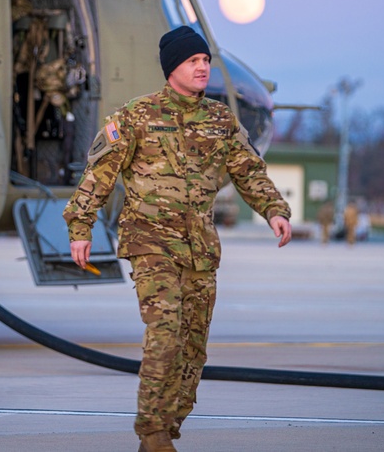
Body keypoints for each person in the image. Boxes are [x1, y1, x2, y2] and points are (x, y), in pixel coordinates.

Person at [64, 26, 292, 452]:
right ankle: (151, 432)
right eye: (193, 61)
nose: (203, 67)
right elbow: (99, 173)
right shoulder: (136, 116)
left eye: (205, 60)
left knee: (192, 348)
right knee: (164, 332)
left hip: (200, 248)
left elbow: (249, 170)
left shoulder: (222, 120)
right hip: (149, 241)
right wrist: (81, 228)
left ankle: (168, 427)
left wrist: (274, 210)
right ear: (173, 69)